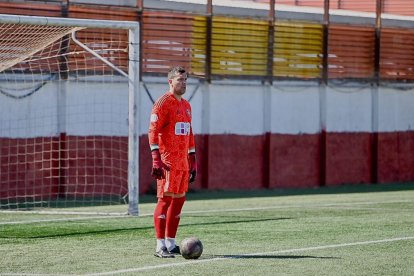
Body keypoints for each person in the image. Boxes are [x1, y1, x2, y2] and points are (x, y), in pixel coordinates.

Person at [148, 66, 197, 258]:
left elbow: (189, 133)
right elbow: (152, 131)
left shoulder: (186, 105)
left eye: (185, 80)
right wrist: (155, 158)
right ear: (170, 82)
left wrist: (192, 159)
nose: (183, 83)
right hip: (167, 162)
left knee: (179, 201)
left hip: (182, 163)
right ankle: (159, 246)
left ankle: (170, 242)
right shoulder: (162, 103)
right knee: (165, 200)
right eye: (180, 80)